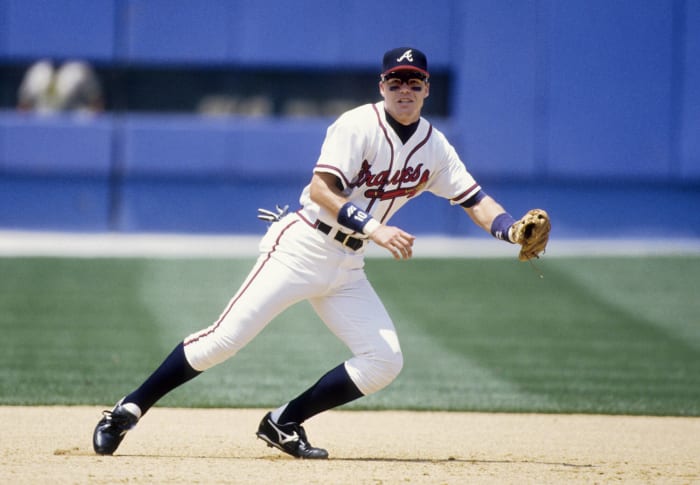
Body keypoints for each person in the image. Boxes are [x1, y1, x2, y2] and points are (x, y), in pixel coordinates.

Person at [92, 47, 548, 459]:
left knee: (384, 361)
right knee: (222, 341)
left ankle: (284, 421)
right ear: (382, 86)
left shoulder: (435, 147)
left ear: (427, 88)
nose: (404, 89)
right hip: (302, 246)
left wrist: (510, 232)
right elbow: (321, 189)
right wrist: (375, 228)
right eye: (396, 81)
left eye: (414, 82)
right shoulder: (356, 125)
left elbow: (474, 200)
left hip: (347, 267)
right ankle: (126, 410)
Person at [17, 59, 103, 114]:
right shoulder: (37, 70)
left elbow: (96, 103)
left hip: (73, 122)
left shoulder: (79, 69)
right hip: (41, 123)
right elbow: (24, 107)